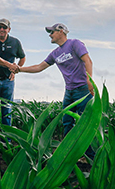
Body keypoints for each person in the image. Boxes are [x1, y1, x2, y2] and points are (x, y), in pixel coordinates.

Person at [19, 23, 95, 157]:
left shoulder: (74, 44)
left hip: (83, 90)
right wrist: (19, 69)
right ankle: (68, 151)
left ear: (61, 32)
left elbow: (87, 61)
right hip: (69, 91)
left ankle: (91, 156)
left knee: (86, 123)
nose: (50, 35)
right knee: (67, 121)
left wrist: (89, 81)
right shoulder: (55, 53)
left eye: (52, 32)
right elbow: (39, 67)